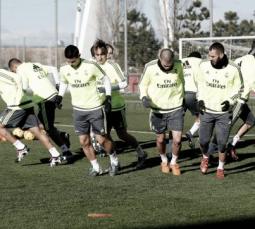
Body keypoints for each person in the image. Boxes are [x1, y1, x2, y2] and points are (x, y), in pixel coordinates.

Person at [57, 45, 119, 177]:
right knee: (84, 142)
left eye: (73, 61)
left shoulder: (91, 65)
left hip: (95, 108)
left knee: (102, 140)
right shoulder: (63, 68)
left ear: (79, 55)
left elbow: (106, 79)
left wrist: (108, 97)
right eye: (68, 61)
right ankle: (96, 167)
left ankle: (114, 161)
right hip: (78, 111)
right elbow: (63, 82)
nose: (71, 64)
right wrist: (59, 96)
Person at [208, 39, 255, 161]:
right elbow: (252, 81)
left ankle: (232, 145)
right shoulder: (254, 61)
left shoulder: (239, 59)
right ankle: (209, 153)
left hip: (234, 97)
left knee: (250, 121)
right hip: (238, 100)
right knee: (226, 126)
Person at [91, 39, 148, 169]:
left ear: (106, 54)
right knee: (105, 136)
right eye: (97, 55)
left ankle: (141, 153)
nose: (100, 57)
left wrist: (107, 89)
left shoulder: (112, 65)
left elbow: (124, 83)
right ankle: (114, 162)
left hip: (115, 106)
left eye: (102, 54)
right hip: (99, 107)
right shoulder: (92, 66)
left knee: (122, 135)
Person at [8, 59, 74, 162]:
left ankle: (66, 152)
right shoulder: (34, 64)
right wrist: (57, 85)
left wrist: (19, 97)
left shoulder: (21, 69)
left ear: (14, 68)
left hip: (45, 98)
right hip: (52, 94)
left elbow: (24, 86)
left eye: (14, 71)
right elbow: (53, 69)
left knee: (47, 128)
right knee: (39, 125)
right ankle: (62, 135)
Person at [197, 42, 244, 178]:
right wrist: (199, 99)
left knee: (222, 143)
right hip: (206, 110)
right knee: (203, 142)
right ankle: (205, 157)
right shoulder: (203, 66)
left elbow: (239, 88)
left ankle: (220, 167)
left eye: (213, 56)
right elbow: (199, 82)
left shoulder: (234, 68)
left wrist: (230, 101)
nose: (210, 58)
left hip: (224, 113)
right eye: (209, 55)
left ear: (221, 55)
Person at [0, 69, 62, 166]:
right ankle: (55, 154)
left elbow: (17, 77)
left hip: (17, 105)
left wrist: (18, 95)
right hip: (26, 104)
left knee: (0, 127)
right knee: (36, 131)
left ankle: (20, 147)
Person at [139, 48, 185, 176]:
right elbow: (143, 85)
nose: (167, 68)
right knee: (160, 140)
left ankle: (174, 162)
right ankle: (164, 160)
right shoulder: (150, 67)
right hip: (157, 109)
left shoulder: (179, 65)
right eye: (165, 66)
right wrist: (143, 97)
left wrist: (184, 97)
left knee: (177, 140)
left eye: (169, 66)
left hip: (176, 107)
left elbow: (182, 81)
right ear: (160, 59)